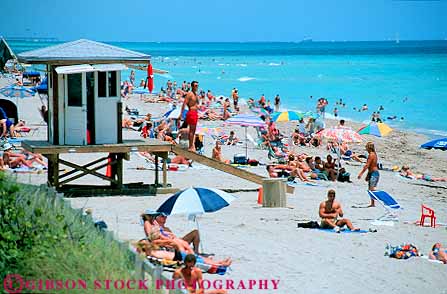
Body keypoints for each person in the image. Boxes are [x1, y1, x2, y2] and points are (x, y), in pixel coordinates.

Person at [179, 81, 200, 152]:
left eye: (197, 86)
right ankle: (191, 146)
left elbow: (197, 104)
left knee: (193, 131)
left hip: (195, 113)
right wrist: (181, 114)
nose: (197, 87)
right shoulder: (190, 94)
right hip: (191, 112)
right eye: (195, 86)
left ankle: (192, 145)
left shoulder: (195, 94)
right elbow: (184, 104)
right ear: (192, 86)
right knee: (191, 130)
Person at [358, 142, 379, 207]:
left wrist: (361, 173)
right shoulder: (374, 154)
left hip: (374, 173)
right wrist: (368, 175)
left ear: (369, 148)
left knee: (372, 188)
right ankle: (372, 203)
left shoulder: (371, 155)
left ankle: (375, 201)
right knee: (370, 188)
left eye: (366, 147)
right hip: (373, 173)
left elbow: (367, 165)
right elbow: (371, 166)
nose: (365, 148)